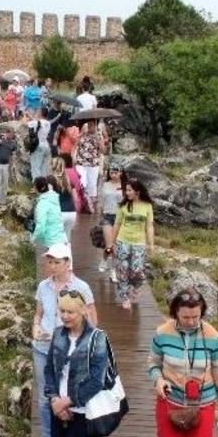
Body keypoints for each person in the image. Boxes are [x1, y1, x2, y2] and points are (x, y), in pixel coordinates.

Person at [149, 288, 218, 437]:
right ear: (175, 313)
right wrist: (158, 380)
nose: (191, 322)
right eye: (186, 317)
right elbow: (153, 364)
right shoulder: (162, 333)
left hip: (203, 407)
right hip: (170, 403)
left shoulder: (212, 336)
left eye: (196, 317)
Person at [32, 243, 97, 437]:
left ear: (68, 263)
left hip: (71, 351)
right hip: (43, 348)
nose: (51, 266)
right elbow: (38, 315)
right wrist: (35, 327)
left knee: (71, 395)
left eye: (56, 262)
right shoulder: (43, 286)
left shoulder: (82, 287)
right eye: (49, 261)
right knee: (45, 398)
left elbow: (93, 322)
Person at [44, 291, 108, 437]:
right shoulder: (57, 334)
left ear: (83, 311)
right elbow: (49, 370)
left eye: (70, 312)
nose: (65, 316)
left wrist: (68, 401)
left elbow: (97, 380)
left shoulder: (97, 338)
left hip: (83, 413)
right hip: (57, 410)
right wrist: (55, 399)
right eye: (62, 311)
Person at [112, 178, 155, 310]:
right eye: (126, 190)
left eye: (129, 190)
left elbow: (149, 226)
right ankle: (125, 297)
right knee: (122, 271)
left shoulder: (147, 206)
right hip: (122, 241)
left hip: (139, 243)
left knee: (137, 271)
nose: (127, 193)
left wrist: (151, 244)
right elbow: (117, 224)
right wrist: (112, 243)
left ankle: (135, 287)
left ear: (137, 191)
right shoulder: (123, 206)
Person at [98, 162, 125, 282]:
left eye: (115, 172)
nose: (113, 175)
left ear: (121, 173)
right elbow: (101, 201)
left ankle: (105, 260)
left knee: (115, 246)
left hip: (120, 218)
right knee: (110, 246)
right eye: (111, 172)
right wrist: (100, 215)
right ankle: (112, 271)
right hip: (107, 216)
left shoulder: (125, 186)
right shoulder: (105, 185)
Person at [31, 176, 68, 251]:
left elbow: (41, 226)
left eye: (34, 187)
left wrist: (32, 239)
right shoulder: (53, 198)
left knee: (53, 262)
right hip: (62, 239)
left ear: (39, 189)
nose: (33, 189)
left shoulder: (42, 204)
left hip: (52, 243)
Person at [75, 119, 104, 213]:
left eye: (92, 125)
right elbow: (76, 146)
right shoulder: (81, 135)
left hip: (93, 163)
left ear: (95, 126)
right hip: (81, 162)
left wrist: (98, 139)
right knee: (82, 182)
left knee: (92, 185)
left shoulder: (98, 136)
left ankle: (91, 205)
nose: (90, 127)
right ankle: (82, 202)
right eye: (88, 125)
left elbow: (103, 150)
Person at [50, 161, 78, 252]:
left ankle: (56, 262)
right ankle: (68, 263)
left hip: (59, 213)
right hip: (71, 213)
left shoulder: (51, 180)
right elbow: (76, 199)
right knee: (67, 239)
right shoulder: (69, 180)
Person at [28, 109, 51, 181]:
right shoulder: (48, 123)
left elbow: (25, 124)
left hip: (38, 146)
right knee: (44, 168)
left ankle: (36, 186)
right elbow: (39, 123)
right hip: (46, 146)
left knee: (36, 167)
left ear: (41, 113)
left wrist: (27, 116)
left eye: (38, 111)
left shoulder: (35, 122)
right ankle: (44, 185)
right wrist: (32, 118)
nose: (37, 112)